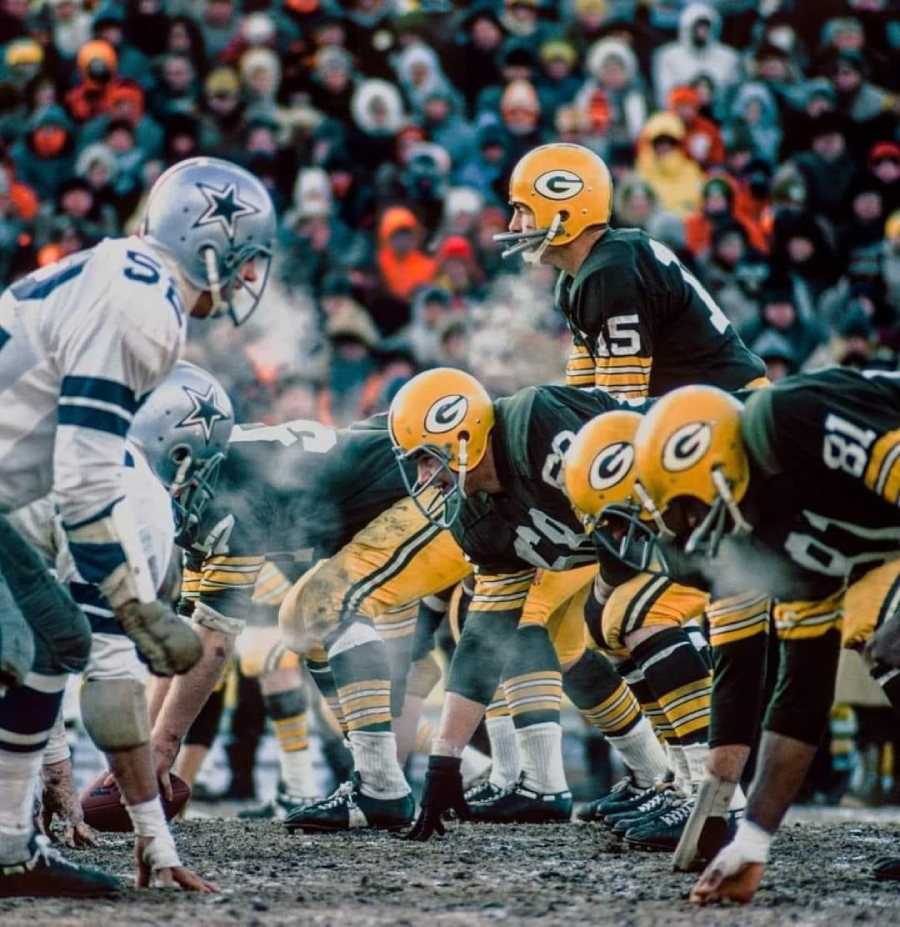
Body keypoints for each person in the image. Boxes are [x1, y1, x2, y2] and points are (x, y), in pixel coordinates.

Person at [0, 155, 275, 897]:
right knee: (50, 642)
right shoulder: (146, 309)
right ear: (209, 245)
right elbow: (85, 481)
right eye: (247, 257)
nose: (250, 277)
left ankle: (11, 847)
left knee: (53, 639)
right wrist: (133, 603)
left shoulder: (115, 268)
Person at [626, 369, 900, 903]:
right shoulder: (779, 539)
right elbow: (800, 696)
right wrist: (751, 843)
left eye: (691, 512)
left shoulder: (791, 421)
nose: (694, 534)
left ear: (715, 466)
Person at [12, 362, 230, 892]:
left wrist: (54, 764)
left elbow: (40, 635)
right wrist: (153, 833)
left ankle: (11, 842)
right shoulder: (141, 501)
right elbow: (108, 682)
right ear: (180, 452)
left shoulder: (68, 429)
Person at [493, 142, 766, 399]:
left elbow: (620, 406)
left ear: (563, 211)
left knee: (538, 408)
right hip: (695, 407)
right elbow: (582, 395)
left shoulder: (612, 269)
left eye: (523, 210)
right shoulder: (575, 279)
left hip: (733, 407)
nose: (514, 225)